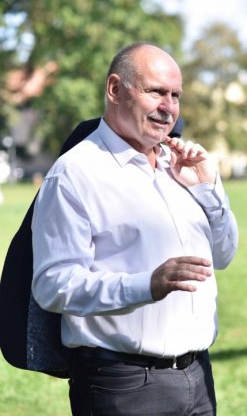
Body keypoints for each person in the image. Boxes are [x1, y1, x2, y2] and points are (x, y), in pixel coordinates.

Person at [31, 42, 238, 416]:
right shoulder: (75, 173)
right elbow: (52, 285)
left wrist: (207, 189)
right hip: (122, 385)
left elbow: (223, 256)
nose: (168, 107)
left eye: (175, 95)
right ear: (115, 89)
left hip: (197, 376)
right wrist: (147, 284)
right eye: (156, 91)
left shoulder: (181, 166)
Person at [0, 116, 183, 378]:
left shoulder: (174, 167)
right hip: (110, 364)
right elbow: (55, 283)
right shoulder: (81, 164)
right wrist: (146, 286)